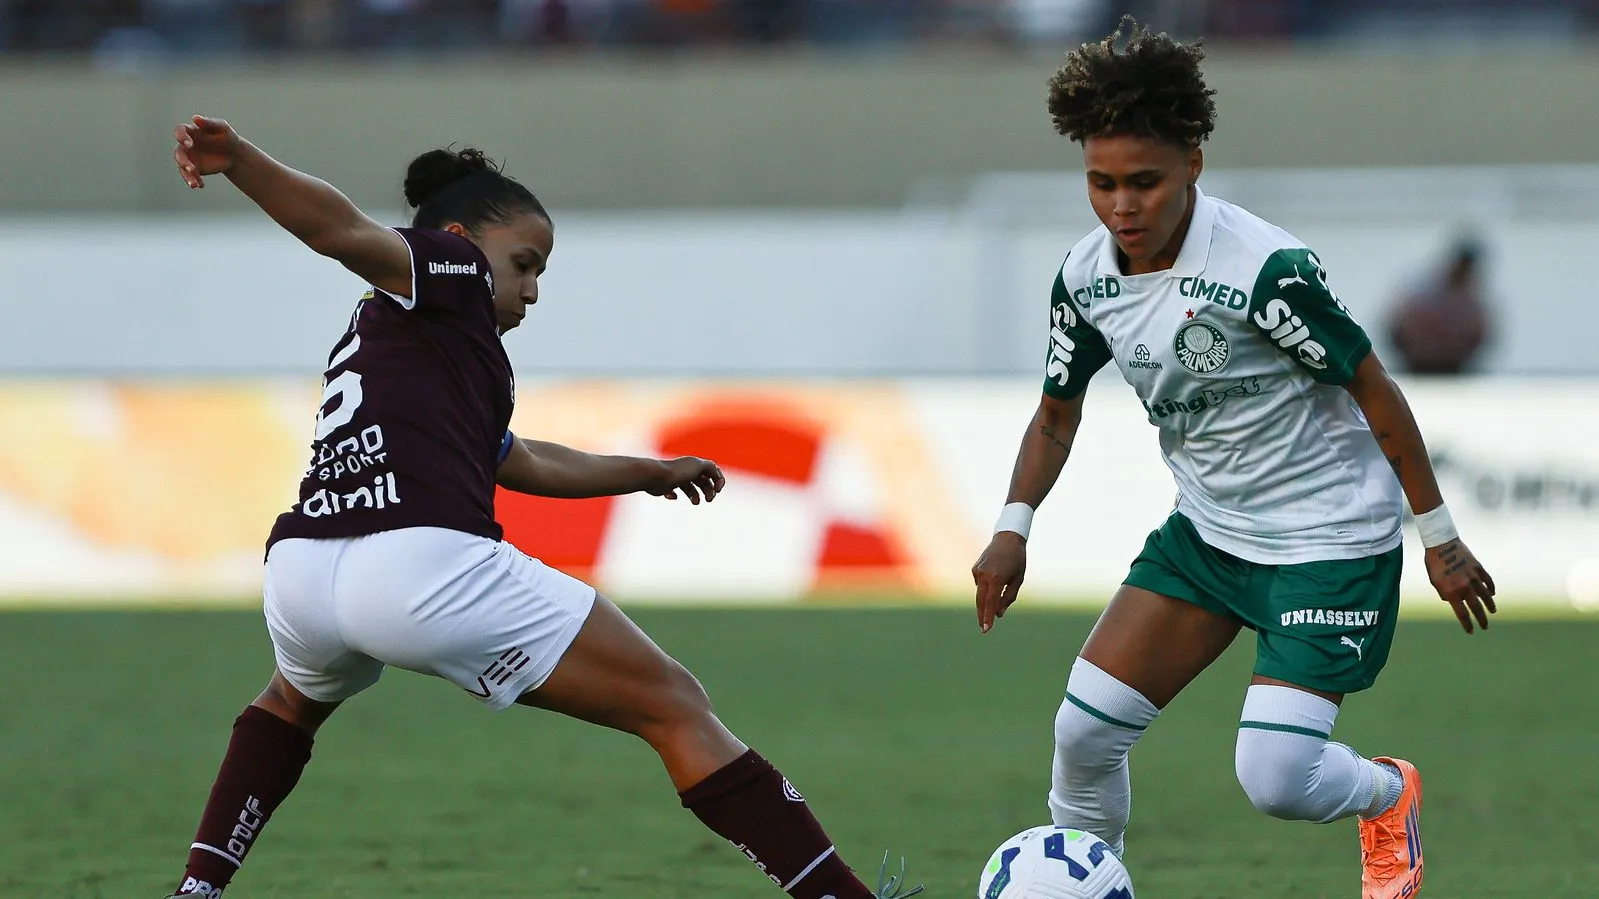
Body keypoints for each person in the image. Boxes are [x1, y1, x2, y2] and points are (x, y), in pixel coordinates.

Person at [162, 115, 922, 899]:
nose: (530, 290)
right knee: (672, 703)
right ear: (457, 236)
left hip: (302, 573)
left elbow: (516, 459)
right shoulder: (449, 266)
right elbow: (338, 229)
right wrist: (240, 160)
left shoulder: (406, 334)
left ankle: (197, 889)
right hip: (416, 565)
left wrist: (645, 471)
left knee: (290, 704)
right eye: (524, 264)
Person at [968, 20, 1495, 899]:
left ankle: (1386, 793)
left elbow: (1374, 390)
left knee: (1277, 779)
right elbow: (1056, 414)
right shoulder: (1084, 279)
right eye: (1101, 184)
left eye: (1144, 182)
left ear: (1193, 165)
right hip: (1209, 537)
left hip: (1326, 542)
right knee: (1082, 736)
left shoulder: (1261, 271)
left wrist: (1438, 537)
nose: (1122, 207)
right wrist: (1010, 529)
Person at [1387, 236, 1492, 375]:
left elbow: (1481, 333)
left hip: (1454, 368)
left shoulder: (1473, 298)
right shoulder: (1422, 289)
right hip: (1416, 364)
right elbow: (1396, 325)